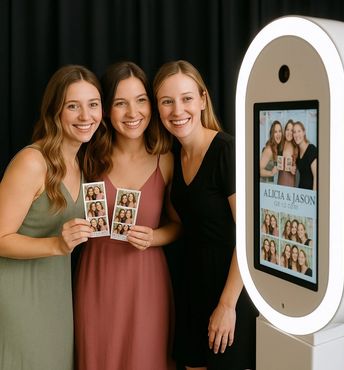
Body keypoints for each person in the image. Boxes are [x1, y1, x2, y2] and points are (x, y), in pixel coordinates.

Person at [73, 61, 182, 370]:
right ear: (106, 110)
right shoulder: (88, 158)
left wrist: (154, 236)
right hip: (97, 278)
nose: (133, 113)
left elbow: (178, 226)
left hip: (147, 282)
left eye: (140, 100)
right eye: (120, 103)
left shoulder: (167, 160)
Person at [154, 59, 257, 370]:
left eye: (186, 98)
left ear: (202, 99)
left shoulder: (227, 151)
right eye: (167, 101)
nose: (177, 110)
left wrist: (227, 305)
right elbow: (184, 225)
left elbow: (249, 235)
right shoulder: (173, 156)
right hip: (191, 283)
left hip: (230, 286)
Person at [0, 65, 103, 369]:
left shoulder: (82, 164)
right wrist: (57, 245)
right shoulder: (32, 161)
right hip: (17, 298)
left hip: (57, 299)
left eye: (93, 105)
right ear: (55, 111)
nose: (86, 116)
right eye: (73, 106)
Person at [293, 121, 317, 190]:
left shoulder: (311, 149)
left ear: (304, 132)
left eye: (299, 131)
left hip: (310, 193)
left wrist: (314, 195)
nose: (297, 135)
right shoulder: (297, 152)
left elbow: (316, 176)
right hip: (302, 193)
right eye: (294, 132)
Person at [277, 119, 297, 187]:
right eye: (287, 129)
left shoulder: (296, 147)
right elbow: (274, 160)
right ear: (284, 131)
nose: (289, 132)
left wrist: (294, 168)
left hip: (290, 183)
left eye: (291, 130)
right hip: (280, 181)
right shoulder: (280, 144)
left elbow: (299, 167)